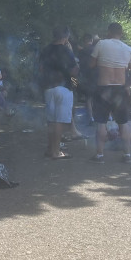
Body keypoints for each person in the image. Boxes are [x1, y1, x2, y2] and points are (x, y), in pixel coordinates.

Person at [89, 22, 131, 163]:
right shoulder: (128, 49)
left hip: (103, 88)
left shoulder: (101, 44)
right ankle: (127, 155)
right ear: (121, 33)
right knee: (124, 122)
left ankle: (99, 155)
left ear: (109, 32)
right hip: (120, 89)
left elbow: (91, 65)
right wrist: (128, 85)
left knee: (101, 122)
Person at [39, 26, 79, 160]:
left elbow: (41, 69)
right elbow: (74, 71)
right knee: (59, 122)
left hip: (48, 88)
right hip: (63, 88)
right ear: (65, 37)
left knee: (51, 121)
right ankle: (56, 152)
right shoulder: (66, 51)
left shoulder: (45, 50)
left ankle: (50, 149)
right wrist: (75, 82)